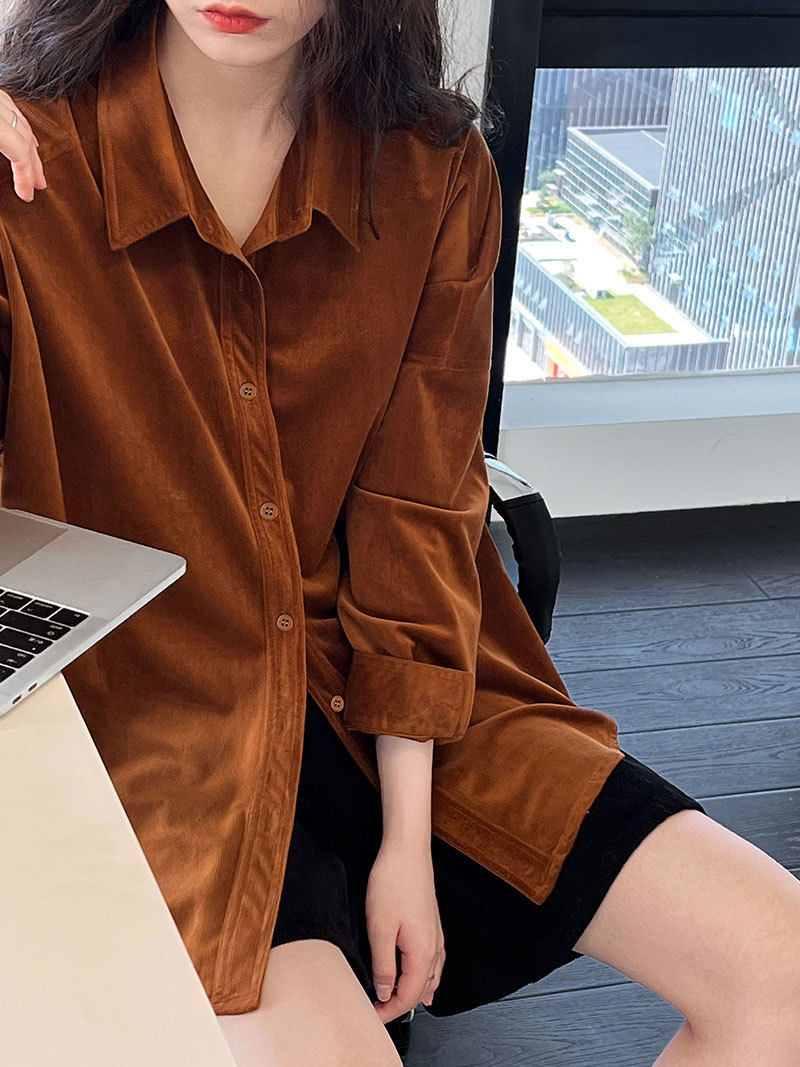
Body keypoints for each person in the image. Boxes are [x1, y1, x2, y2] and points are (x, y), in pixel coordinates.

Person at [1, 2, 800, 1065]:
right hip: (155, 719)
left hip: (398, 687)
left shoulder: (432, 173)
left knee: (782, 975)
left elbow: (416, 513)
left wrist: (407, 842)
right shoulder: (26, 164)